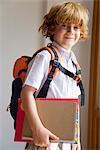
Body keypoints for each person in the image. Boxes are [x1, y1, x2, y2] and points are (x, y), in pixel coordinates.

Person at [21, 1, 89, 150]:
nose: (71, 31)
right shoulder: (45, 57)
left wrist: (77, 137)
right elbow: (27, 93)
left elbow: (74, 104)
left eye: (76, 27)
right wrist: (37, 129)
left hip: (66, 140)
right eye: (65, 25)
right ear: (52, 28)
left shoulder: (74, 63)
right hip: (43, 138)